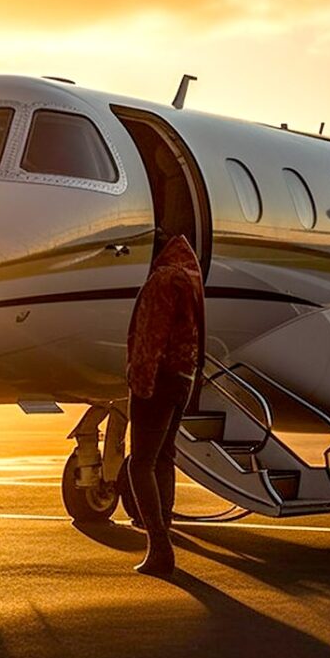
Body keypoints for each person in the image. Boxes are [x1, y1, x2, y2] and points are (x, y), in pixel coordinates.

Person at [125, 234, 205, 579]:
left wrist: (140, 383)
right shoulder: (190, 277)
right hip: (183, 378)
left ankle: (159, 546)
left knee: (140, 463)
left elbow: (150, 336)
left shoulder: (162, 279)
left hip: (158, 381)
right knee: (164, 458)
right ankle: (164, 539)